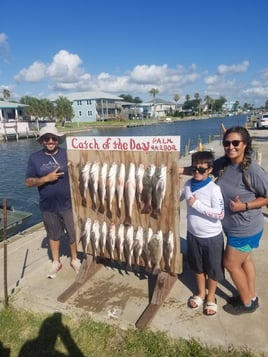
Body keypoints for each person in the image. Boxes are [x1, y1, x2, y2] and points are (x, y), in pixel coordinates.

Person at [179, 126, 268, 315]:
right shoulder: (225, 163)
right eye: (227, 143)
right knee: (246, 261)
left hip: (245, 227)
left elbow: (266, 197)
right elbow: (199, 168)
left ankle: (246, 303)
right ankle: (251, 295)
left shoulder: (253, 170)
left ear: (245, 144)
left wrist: (244, 206)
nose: (231, 146)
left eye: (236, 143)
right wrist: (176, 169)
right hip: (235, 226)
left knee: (230, 264)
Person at [25, 125, 81, 279]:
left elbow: (81, 167)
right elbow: (28, 182)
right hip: (47, 205)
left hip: (68, 203)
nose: (50, 141)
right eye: (46, 138)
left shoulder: (67, 154)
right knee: (53, 234)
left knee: (72, 233)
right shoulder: (35, 158)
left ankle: (74, 259)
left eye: (53, 138)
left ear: (58, 140)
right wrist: (45, 179)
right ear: (42, 141)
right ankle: (56, 261)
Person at [180, 151, 225, 316]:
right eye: (194, 169)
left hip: (212, 237)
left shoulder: (214, 189)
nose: (197, 173)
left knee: (213, 269)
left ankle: (211, 296)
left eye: (202, 170)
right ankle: (200, 292)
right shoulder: (187, 185)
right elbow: (177, 198)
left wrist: (197, 205)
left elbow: (220, 214)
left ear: (210, 170)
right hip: (193, 235)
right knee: (197, 267)